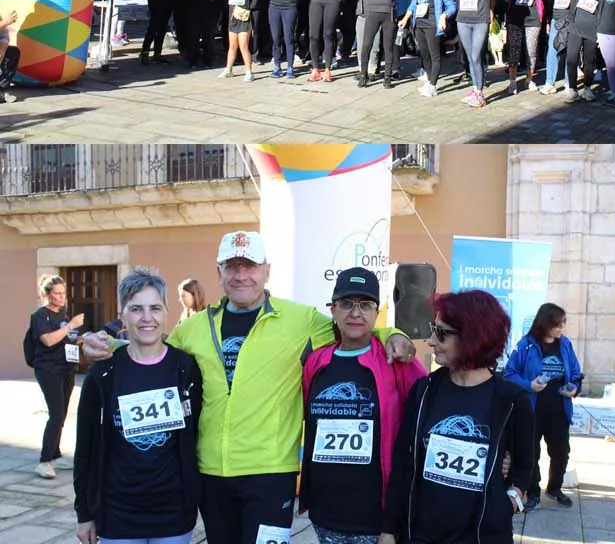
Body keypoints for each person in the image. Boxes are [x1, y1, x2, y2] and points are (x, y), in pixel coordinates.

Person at [81, 231, 418, 544]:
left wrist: (393, 334)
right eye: (232, 266)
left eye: (250, 266)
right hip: (212, 472)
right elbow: (153, 346)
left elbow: (354, 326)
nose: (241, 274)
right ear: (219, 272)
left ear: (266, 271)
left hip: (271, 474)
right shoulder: (195, 326)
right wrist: (104, 344)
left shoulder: (300, 320)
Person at [379, 291, 534, 544]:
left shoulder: (512, 400)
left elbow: (526, 469)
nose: (430, 341)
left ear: (473, 337)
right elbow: (403, 464)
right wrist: (388, 529)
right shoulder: (424, 390)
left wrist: (508, 503)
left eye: (441, 333)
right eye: (433, 329)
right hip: (420, 536)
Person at [74, 268, 203, 544]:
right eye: (136, 309)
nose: (147, 318)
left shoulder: (185, 368)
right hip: (117, 515)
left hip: (173, 515)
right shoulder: (103, 374)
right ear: (122, 313)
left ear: (166, 311)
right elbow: (85, 447)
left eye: (155, 308)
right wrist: (83, 513)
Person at [300, 267, 428, 544]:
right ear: (332, 310)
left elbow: (433, 412)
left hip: (376, 516)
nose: (355, 313)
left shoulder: (397, 359)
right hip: (325, 512)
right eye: (346, 304)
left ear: (376, 311)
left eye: (365, 305)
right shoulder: (316, 362)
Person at [500, 302, 583, 511]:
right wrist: (529, 385)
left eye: (563, 324)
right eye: (558, 324)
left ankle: (554, 488)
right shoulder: (526, 344)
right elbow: (509, 374)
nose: (561, 328)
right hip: (532, 409)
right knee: (532, 453)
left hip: (559, 408)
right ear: (546, 323)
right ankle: (533, 492)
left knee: (561, 452)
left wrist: (574, 387)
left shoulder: (565, 344)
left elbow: (575, 372)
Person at [31, 275, 84, 480]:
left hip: (66, 368)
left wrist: (83, 338)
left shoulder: (63, 314)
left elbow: (69, 338)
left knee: (62, 414)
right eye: (57, 293)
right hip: (48, 369)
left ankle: (56, 453)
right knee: (56, 413)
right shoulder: (39, 316)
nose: (62, 297)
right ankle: (44, 461)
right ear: (47, 294)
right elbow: (48, 340)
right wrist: (70, 325)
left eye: (63, 293)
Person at [398, 0, 456, 97]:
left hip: (432, 25)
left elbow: (451, 6)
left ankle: (433, 84)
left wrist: (444, 16)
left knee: (434, 55)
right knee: (424, 55)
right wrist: (406, 18)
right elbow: (414, 4)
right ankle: (429, 80)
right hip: (420, 25)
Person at [220, 0, 258, 82]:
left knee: (243, 46)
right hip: (233, 20)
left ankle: (249, 72)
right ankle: (228, 69)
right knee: (232, 46)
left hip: (244, 20)